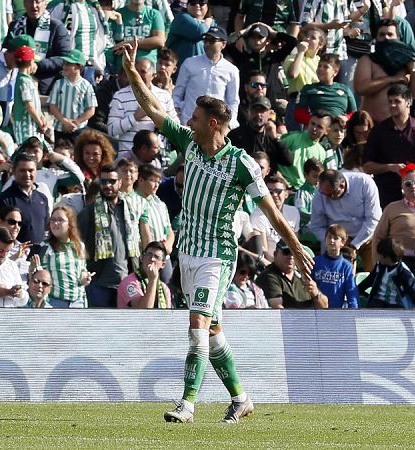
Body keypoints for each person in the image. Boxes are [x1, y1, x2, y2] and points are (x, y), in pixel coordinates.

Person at [121, 38, 312, 424]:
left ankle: (187, 405)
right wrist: (130, 70)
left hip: (217, 255)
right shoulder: (188, 142)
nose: (187, 120)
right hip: (188, 251)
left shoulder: (242, 164)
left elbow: (272, 212)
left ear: (212, 123)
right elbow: (151, 106)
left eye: (194, 116)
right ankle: (241, 398)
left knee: (197, 327)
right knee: (213, 332)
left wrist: (295, 244)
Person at [77, 163, 147, 307]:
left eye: (112, 181)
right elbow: (78, 245)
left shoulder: (130, 210)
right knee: (100, 326)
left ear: (120, 182)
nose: (108, 185)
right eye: (104, 181)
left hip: (127, 280)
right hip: (99, 282)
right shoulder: (89, 212)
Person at [362, 83, 415, 208]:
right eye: (390, 101)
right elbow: (367, 166)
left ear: (408, 102)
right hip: (387, 196)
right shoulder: (378, 131)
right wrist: (390, 167)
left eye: (397, 101)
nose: (392, 105)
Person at [353, 19, 415, 123]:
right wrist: (392, 79)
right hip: (372, 127)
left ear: (398, 38)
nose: (386, 38)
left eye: (390, 34)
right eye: (382, 35)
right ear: (376, 38)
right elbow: (360, 88)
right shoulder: (368, 60)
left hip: (400, 128)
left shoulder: (407, 62)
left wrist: (413, 67)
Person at [310, 169, 381, 271]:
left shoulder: (365, 183)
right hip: (336, 238)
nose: (327, 197)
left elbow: (373, 219)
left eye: (331, 194)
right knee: (333, 275)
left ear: (342, 186)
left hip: (367, 237)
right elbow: (317, 226)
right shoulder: (321, 193)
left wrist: (354, 244)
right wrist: (333, 241)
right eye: (325, 194)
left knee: (374, 274)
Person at [173, 26, 239, 129]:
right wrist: (178, 114)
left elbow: (233, 101)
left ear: (223, 44)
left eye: (212, 41)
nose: (207, 44)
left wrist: (229, 125)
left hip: (215, 128)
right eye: (206, 40)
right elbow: (177, 94)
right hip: (188, 124)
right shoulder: (189, 63)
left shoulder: (232, 70)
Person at [108, 57, 176, 153]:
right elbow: (112, 130)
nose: (138, 75)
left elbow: (175, 129)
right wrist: (135, 117)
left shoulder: (164, 96)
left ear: (153, 75)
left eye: (143, 72)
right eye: (136, 71)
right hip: (127, 158)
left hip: (156, 158)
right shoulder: (120, 96)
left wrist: (159, 119)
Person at [371, 170, 415, 270]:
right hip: (397, 261)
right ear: (402, 188)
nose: (413, 186)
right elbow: (378, 237)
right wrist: (377, 263)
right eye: (408, 184)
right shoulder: (391, 208)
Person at [4, 0, 71, 94]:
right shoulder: (15, 26)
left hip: (44, 84)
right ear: (24, 3)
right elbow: (6, 52)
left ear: (45, 3)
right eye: (30, 2)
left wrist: (38, 65)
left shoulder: (56, 27)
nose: (34, 6)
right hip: (16, 80)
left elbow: (65, 58)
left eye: (38, 2)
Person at [0, 153, 49, 246]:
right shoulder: (4, 200)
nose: (27, 174)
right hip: (14, 256)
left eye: (31, 170)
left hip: (38, 256)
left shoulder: (42, 199)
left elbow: (46, 230)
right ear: (14, 171)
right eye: (22, 170)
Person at [38, 205, 91, 307]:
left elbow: (82, 269)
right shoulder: (44, 246)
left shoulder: (79, 245)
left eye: (60, 220)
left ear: (70, 224)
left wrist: (85, 277)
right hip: (54, 302)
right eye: (53, 220)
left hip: (79, 302)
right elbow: (36, 275)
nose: (55, 223)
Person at [358, 236, 415, 309]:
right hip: (378, 300)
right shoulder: (380, 266)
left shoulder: (403, 272)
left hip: (396, 303)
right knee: (371, 310)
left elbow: (414, 292)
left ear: (387, 257)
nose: (378, 257)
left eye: (380, 255)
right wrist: (357, 289)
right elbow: (369, 280)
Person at [255, 240, 326, 310]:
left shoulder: (302, 276)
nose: (291, 256)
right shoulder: (269, 276)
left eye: (294, 253)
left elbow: (325, 307)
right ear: (275, 254)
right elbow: (277, 308)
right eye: (286, 252)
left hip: (307, 320)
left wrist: (316, 294)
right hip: (288, 320)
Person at [227, 96, 293, 170]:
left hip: (267, 179)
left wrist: (275, 139)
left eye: (262, 111)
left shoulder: (271, 137)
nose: (258, 114)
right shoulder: (236, 135)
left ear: (269, 113)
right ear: (249, 111)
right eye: (255, 110)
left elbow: (288, 161)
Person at [48, 48, 98, 142]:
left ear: (79, 66)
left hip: (79, 129)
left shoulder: (86, 86)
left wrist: (76, 123)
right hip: (60, 128)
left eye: (68, 64)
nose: (64, 66)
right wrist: (64, 121)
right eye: (64, 63)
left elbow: (91, 109)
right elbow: (52, 106)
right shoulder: (59, 84)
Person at [250, 175, 299, 262]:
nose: (275, 195)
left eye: (278, 191)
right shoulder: (257, 215)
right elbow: (264, 250)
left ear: (286, 194)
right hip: (270, 263)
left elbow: (295, 243)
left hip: (291, 260)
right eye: (270, 192)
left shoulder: (294, 212)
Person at [294, 54, 356, 121]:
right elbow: (299, 113)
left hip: (338, 129)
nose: (321, 69)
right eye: (319, 66)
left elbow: (354, 113)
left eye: (326, 67)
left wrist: (346, 118)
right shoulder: (308, 89)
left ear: (335, 72)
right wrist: (315, 122)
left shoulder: (345, 89)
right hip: (318, 129)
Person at [277, 111, 329, 190]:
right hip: (283, 187)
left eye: (319, 127)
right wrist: (279, 176)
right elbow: (272, 153)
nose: (314, 128)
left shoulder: (321, 152)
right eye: (312, 123)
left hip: (304, 190)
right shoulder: (293, 138)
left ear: (327, 131)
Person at [312, 224, 359, 309]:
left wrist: (354, 311)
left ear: (343, 242)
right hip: (317, 310)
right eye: (329, 237)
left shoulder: (346, 266)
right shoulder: (315, 262)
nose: (332, 241)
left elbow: (351, 291)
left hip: (336, 311)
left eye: (335, 238)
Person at [117, 240, 172, 308]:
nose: (152, 259)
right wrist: (152, 280)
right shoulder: (129, 282)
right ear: (142, 258)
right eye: (149, 254)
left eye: (157, 257)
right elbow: (143, 312)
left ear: (163, 264)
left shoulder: (165, 288)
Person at [11, 46, 48, 145]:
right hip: (26, 125)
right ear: (29, 62)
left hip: (34, 124)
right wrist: (40, 124)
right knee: (28, 149)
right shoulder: (23, 81)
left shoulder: (28, 80)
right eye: (34, 61)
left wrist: (42, 117)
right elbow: (29, 106)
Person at [165, 0, 213, 68]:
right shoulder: (182, 17)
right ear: (187, 5)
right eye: (193, 3)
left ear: (207, 6)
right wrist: (208, 21)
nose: (197, 5)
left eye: (201, 3)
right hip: (180, 68)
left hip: (202, 69)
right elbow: (200, 32)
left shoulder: (212, 23)